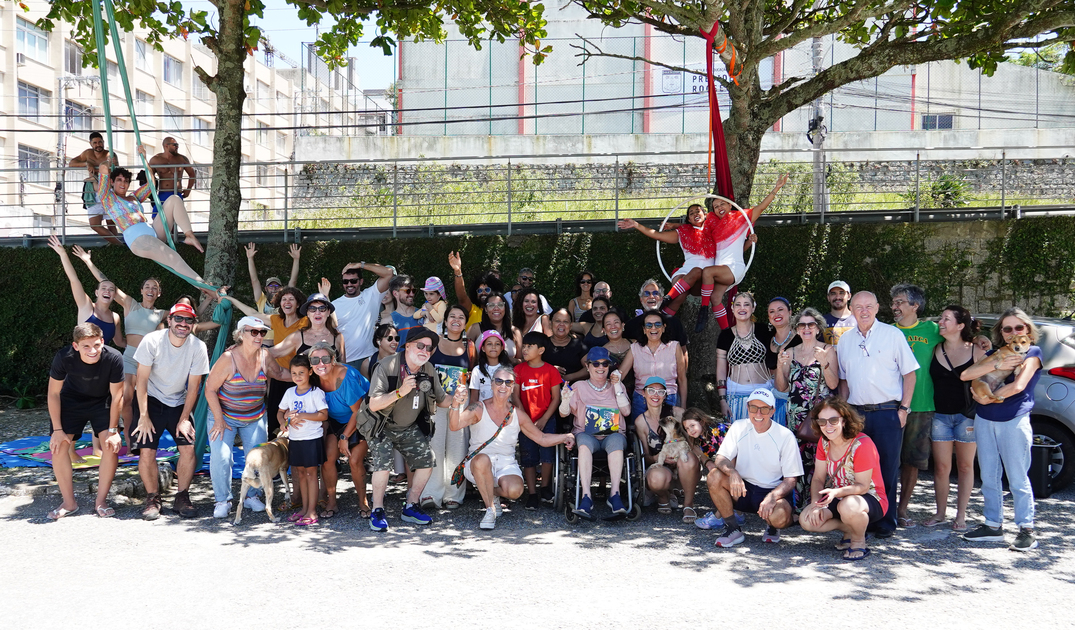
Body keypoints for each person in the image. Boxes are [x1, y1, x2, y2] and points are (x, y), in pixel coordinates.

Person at [68, 246, 166, 455]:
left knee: (148, 402)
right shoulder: (130, 304)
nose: (150, 289)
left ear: (159, 293)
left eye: (155, 287)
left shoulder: (162, 313)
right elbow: (108, 284)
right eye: (147, 286)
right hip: (130, 357)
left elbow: (188, 317)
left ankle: (139, 440)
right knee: (124, 401)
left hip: (149, 361)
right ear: (141, 291)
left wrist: (210, 299)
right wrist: (88, 261)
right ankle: (127, 441)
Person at [450, 365, 575, 530]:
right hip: (478, 461)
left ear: (513, 387)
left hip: (505, 463)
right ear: (492, 384)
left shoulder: (518, 415)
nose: (503, 386)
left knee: (515, 491)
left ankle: (491, 492)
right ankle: (490, 509)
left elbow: (541, 438)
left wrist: (566, 437)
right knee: (482, 460)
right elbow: (455, 425)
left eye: (508, 383)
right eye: (499, 381)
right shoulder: (478, 408)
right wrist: (455, 404)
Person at [836, 291, 918, 538]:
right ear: (851, 308)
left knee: (887, 468)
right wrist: (844, 414)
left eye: (869, 306)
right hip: (856, 414)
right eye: (858, 306)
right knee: (858, 470)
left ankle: (885, 522)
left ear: (877, 307)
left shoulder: (892, 335)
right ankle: (862, 519)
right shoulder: (845, 341)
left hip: (887, 412)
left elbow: (910, 374)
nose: (864, 311)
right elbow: (843, 382)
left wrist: (903, 410)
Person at [960, 308, 1043, 551]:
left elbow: (1018, 385)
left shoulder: (1033, 352)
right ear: (1001, 333)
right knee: (988, 475)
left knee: (1017, 476)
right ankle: (992, 525)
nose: (1013, 333)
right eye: (1007, 329)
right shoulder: (995, 353)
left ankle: (1027, 529)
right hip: (985, 420)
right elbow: (966, 375)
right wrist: (995, 361)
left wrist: (989, 397)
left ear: (1027, 330)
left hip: (1013, 419)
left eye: (1019, 328)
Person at [365, 329, 453, 532]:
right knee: (382, 463)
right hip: (382, 425)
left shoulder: (428, 369)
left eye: (429, 348)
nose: (425, 351)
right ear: (408, 346)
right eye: (420, 346)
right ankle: (377, 510)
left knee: (427, 459)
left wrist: (456, 399)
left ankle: (411, 506)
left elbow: (441, 400)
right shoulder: (387, 366)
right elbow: (374, 404)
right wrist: (400, 392)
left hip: (408, 427)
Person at [131, 302, 210, 520]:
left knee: (188, 449)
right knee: (147, 450)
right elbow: (142, 381)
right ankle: (152, 498)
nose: (183, 324)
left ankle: (182, 496)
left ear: (193, 324)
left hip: (179, 402)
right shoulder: (152, 341)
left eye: (189, 320)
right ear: (170, 321)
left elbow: (194, 387)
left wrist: (185, 418)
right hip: (151, 400)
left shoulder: (198, 347)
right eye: (179, 319)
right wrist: (144, 417)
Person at [206, 316, 290, 519]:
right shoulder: (228, 359)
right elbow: (209, 389)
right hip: (223, 415)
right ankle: (222, 500)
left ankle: (252, 496)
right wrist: (218, 419)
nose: (259, 336)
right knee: (222, 457)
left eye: (262, 332)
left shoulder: (265, 355)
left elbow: (279, 373)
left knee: (259, 460)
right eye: (253, 331)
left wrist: (308, 374)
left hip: (254, 416)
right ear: (240, 334)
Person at [48, 236, 124, 458]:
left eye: (111, 288)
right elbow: (74, 281)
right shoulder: (86, 306)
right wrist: (63, 255)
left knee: (103, 405)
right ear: (97, 292)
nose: (107, 290)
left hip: (103, 367)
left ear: (113, 294)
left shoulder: (116, 316)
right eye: (103, 287)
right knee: (74, 405)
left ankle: (98, 447)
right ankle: (70, 449)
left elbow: (119, 342)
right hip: (81, 365)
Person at [46, 323, 125, 519]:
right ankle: (69, 502)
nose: (92, 351)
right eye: (86, 346)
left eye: (96, 345)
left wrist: (114, 431)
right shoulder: (64, 357)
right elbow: (54, 393)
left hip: (102, 401)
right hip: (72, 400)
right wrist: (57, 430)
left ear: (102, 342)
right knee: (59, 446)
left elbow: (117, 397)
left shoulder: (114, 357)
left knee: (110, 446)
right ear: (76, 346)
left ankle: (101, 501)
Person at [95, 148, 208, 284]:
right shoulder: (108, 198)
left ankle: (189, 235)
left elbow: (151, 184)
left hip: (153, 232)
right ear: (112, 182)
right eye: (119, 180)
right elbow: (102, 168)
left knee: (174, 199)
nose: (123, 183)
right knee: (174, 258)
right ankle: (204, 285)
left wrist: (144, 159)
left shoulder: (134, 197)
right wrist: (109, 161)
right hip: (138, 239)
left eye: (126, 181)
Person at [707, 389, 802, 547]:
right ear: (747, 407)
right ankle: (732, 528)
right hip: (742, 488)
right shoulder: (738, 427)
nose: (758, 413)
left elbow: (791, 479)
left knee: (780, 518)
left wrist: (772, 497)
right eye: (753, 408)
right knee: (714, 476)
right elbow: (721, 458)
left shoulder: (785, 436)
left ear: (772, 410)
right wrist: (733, 472)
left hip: (771, 490)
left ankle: (772, 526)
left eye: (764, 408)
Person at [799, 398, 888, 561]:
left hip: (869, 497)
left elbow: (862, 486)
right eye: (822, 421)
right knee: (807, 520)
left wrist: (837, 492)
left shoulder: (862, 444)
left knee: (849, 506)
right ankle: (850, 529)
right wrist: (814, 503)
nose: (828, 426)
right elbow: (818, 478)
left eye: (833, 420)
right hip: (838, 495)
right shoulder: (824, 442)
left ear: (844, 421)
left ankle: (858, 541)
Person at [925, 305, 984, 532]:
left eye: (946, 319)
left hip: (966, 417)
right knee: (940, 467)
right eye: (941, 318)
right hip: (939, 416)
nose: (941, 322)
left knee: (966, 467)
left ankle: (961, 515)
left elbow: (991, 376)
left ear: (960, 326)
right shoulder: (935, 348)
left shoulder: (975, 350)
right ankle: (940, 513)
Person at [558, 347, 633, 520]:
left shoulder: (617, 386)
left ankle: (614, 495)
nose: (601, 367)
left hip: (613, 435)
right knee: (583, 445)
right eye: (596, 364)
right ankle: (586, 496)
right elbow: (564, 413)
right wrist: (566, 399)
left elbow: (627, 412)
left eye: (605, 364)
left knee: (615, 442)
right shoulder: (579, 386)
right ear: (587, 366)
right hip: (586, 434)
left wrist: (617, 387)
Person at [775, 307, 838, 511]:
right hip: (796, 417)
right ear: (796, 329)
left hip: (822, 418)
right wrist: (779, 364)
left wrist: (824, 364)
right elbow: (782, 387)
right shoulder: (790, 353)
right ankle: (799, 508)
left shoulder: (828, 350)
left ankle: (821, 507)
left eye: (811, 324)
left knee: (822, 461)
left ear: (818, 328)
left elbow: (834, 384)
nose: (807, 328)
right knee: (798, 461)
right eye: (802, 325)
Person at [890, 283, 942, 528]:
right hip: (889, 405)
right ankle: (884, 507)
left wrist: (982, 339)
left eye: (899, 302)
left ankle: (902, 510)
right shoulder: (886, 331)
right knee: (886, 458)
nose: (894, 306)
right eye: (893, 302)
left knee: (912, 461)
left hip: (921, 405)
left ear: (915, 306)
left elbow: (961, 337)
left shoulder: (932, 329)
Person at [308, 342, 370, 519]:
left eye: (325, 359)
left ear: (333, 360)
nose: (321, 363)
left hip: (361, 419)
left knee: (355, 460)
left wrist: (344, 437)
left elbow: (358, 411)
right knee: (327, 460)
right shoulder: (313, 377)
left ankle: (363, 501)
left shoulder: (345, 377)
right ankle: (331, 502)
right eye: (315, 360)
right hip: (335, 421)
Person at [420, 306, 474, 510]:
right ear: (446, 319)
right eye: (453, 316)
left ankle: (454, 494)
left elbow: (472, 373)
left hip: (460, 403)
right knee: (433, 447)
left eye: (461, 317)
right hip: (435, 402)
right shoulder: (434, 342)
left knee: (457, 448)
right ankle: (430, 494)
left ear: (465, 322)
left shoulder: (469, 346)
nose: (456, 320)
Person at [633, 377, 699, 522]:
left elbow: (694, 440)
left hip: (682, 464)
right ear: (643, 393)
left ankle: (688, 504)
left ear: (665, 395)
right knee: (656, 478)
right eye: (651, 391)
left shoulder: (678, 413)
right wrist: (658, 458)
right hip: (661, 466)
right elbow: (646, 457)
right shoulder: (640, 422)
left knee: (688, 459)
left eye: (660, 391)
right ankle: (664, 496)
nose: (655, 395)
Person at [513, 332, 563, 509]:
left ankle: (545, 488)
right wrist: (525, 418)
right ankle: (532, 493)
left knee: (547, 455)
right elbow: (515, 395)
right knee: (528, 456)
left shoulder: (551, 371)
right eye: (524, 346)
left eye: (529, 346)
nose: (524, 349)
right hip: (525, 420)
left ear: (541, 350)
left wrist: (544, 419)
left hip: (546, 419)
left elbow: (556, 398)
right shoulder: (518, 370)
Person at [278, 354, 329, 526]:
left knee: (311, 474)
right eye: (294, 373)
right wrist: (283, 423)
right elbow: (280, 412)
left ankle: (312, 511)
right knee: (300, 474)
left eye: (301, 372)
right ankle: (304, 509)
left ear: (309, 372)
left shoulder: (316, 393)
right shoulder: (289, 392)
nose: (297, 377)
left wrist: (302, 415)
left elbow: (323, 415)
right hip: (295, 439)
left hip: (311, 440)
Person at [715, 292, 774, 422]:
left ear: (753, 308)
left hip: (763, 392)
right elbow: (720, 370)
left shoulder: (764, 330)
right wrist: (722, 400)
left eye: (746, 305)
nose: (742, 308)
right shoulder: (725, 336)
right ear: (732, 308)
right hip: (735, 394)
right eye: (738, 305)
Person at [620, 310, 687, 418]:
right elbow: (619, 375)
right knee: (641, 431)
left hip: (668, 397)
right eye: (649, 325)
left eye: (657, 324)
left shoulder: (675, 347)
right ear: (644, 329)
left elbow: (682, 379)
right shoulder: (635, 348)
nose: (653, 328)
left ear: (664, 327)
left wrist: (683, 406)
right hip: (641, 399)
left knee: (667, 433)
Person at [330, 261, 394, 369]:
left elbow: (389, 273)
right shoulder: (334, 305)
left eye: (353, 281)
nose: (349, 284)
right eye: (345, 281)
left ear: (361, 281)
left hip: (371, 359)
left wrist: (360, 265)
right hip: (347, 362)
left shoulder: (372, 295)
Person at [684, 408, 734, 530]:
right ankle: (736, 514)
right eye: (687, 428)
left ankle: (719, 516)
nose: (690, 430)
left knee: (721, 478)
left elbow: (729, 456)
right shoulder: (702, 437)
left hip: (739, 460)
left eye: (692, 425)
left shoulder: (716, 430)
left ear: (701, 422)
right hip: (731, 461)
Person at [68, 131, 121, 244]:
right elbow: (71, 163)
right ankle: (118, 244)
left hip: (108, 192)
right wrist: (86, 164)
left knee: (111, 223)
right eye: (95, 143)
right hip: (93, 193)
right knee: (95, 225)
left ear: (103, 142)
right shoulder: (88, 154)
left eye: (100, 142)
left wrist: (98, 169)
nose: (98, 145)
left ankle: (116, 247)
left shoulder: (110, 154)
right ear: (91, 144)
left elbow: (116, 169)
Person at [270, 293, 345, 365]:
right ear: (307, 313)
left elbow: (344, 368)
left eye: (322, 308)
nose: (317, 312)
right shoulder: (297, 336)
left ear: (328, 312)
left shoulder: (338, 337)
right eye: (312, 309)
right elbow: (271, 353)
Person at [764, 296, 800, 426]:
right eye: (772, 311)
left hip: (796, 399)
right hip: (774, 399)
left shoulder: (801, 337)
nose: (776, 314)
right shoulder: (767, 338)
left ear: (790, 312)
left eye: (780, 310)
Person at [625, 279, 689, 349]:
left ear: (661, 299)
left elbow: (683, 353)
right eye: (646, 294)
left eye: (655, 293)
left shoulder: (674, 322)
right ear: (641, 300)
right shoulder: (631, 325)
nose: (651, 297)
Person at [243, 242, 301, 321]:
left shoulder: (285, 301)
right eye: (271, 286)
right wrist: (250, 258)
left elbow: (293, 281)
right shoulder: (261, 300)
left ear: (281, 288)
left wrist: (296, 259)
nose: (274, 289)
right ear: (266, 288)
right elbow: (254, 280)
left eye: (277, 286)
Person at [449, 251, 506, 329]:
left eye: (487, 289)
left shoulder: (501, 311)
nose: (483, 293)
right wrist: (458, 271)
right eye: (479, 291)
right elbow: (462, 298)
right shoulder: (472, 310)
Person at [467, 292, 521, 361]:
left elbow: (522, 361)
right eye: (491, 305)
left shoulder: (515, 331)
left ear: (505, 308)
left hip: (508, 370)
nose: (496, 308)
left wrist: (509, 360)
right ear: (486, 309)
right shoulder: (475, 328)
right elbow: (465, 356)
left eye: (500, 305)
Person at [148, 136, 196, 212]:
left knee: (175, 218)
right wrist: (150, 193)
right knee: (157, 216)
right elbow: (149, 176)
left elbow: (192, 174)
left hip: (177, 193)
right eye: (175, 145)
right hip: (162, 193)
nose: (177, 147)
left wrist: (188, 189)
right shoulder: (155, 160)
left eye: (177, 145)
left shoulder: (182, 159)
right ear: (166, 146)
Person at [470, 330, 515, 403]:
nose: (493, 347)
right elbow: (473, 399)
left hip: (503, 412)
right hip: (482, 412)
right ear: (483, 348)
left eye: (497, 344)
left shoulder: (508, 369)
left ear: (502, 348)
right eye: (489, 344)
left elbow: (512, 396)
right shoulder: (477, 370)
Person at [546, 309, 589, 384]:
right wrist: (550, 370)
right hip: (545, 390)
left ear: (570, 325)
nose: (561, 324)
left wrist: (568, 377)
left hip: (574, 391)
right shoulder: (542, 343)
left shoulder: (579, 345)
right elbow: (531, 365)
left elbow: (589, 368)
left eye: (565, 322)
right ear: (550, 323)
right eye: (557, 321)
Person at [381, 274, 424, 344]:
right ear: (395, 293)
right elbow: (385, 350)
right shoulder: (387, 321)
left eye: (413, 290)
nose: (412, 294)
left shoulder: (422, 314)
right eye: (407, 291)